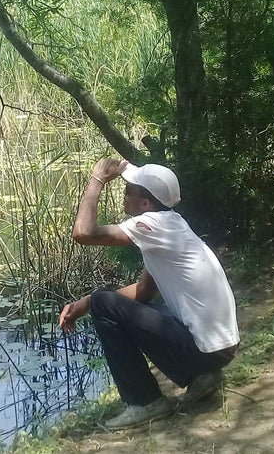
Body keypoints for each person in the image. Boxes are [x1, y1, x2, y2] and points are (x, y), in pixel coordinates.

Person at [59, 158, 239, 430]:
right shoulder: (171, 224)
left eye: (129, 189)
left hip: (207, 350)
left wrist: (96, 180)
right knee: (116, 303)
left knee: (103, 301)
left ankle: (146, 402)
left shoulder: (153, 225)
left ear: (145, 203)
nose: (124, 193)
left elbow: (83, 233)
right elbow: (144, 291)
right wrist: (83, 304)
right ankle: (202, 374)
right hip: (219, 349)